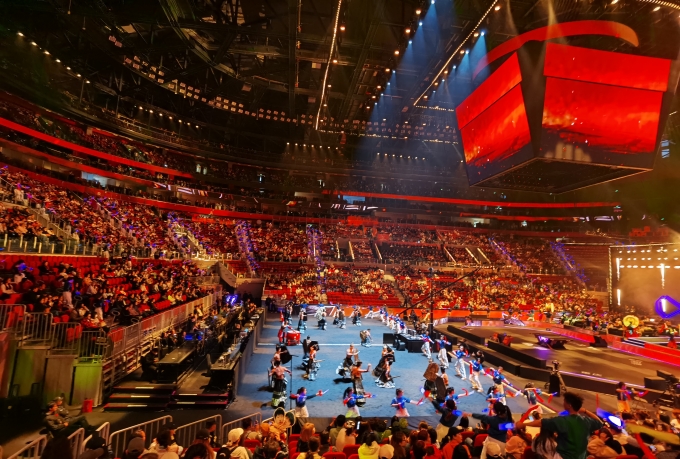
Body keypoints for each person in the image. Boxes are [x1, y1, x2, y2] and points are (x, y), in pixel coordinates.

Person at [517, 391, 602, 459]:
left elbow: (541, 422)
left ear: (569, 405)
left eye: (565, 402)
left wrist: (523, 425)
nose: (563, 403)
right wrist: (585, 411)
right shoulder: (587, 421)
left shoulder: (563, 421)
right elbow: (599, 422)